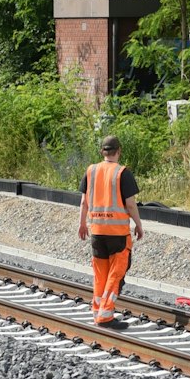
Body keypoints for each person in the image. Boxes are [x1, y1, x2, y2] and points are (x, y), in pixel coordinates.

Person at [76, 135, 144, 323]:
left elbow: (84, 202)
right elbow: (130, 205)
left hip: (96, 232)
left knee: (100, 274)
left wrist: (82, 224)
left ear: (102, 152)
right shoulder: (122, 173)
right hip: (118, 235)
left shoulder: (91, 171)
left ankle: (97, 309)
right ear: (119, 151)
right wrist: (138, 225)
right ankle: (105, 314)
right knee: (115, 274)